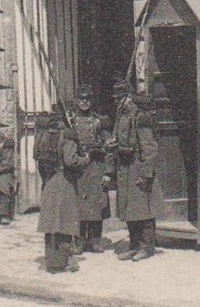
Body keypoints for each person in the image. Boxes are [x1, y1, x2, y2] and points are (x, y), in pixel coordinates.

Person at [112, 81, 166, 261]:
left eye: (121, 98)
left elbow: (149, 146)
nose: (118, 102)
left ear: (129, 97)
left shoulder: (140, 117)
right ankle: (134, 245)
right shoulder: (122, 116)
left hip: (138, 165)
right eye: (116, 99)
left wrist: (146, 171)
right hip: (125, 166)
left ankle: (146, 247)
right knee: (130, 208)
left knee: (144, 209)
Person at [36, 115, 86, 273]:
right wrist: (86, 159)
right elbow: (71, 161)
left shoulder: (43, 135)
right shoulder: (67, 135)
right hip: (64, 181)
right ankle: (65, 261)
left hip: (49, 181)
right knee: (65, 221)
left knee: (51, 222)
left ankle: (52, 260)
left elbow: (39, 162)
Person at [69, 84, 112, 253]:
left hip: (96, 167)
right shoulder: (70, 122)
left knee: (96, 204)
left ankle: (94, 240)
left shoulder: (99, 122)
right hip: (78, 168)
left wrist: (109, 171)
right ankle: (79, 241)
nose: (85, 102)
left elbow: (109, 148)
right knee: (78, 205)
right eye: (81, 99)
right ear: (76, 101)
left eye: (88, 99)